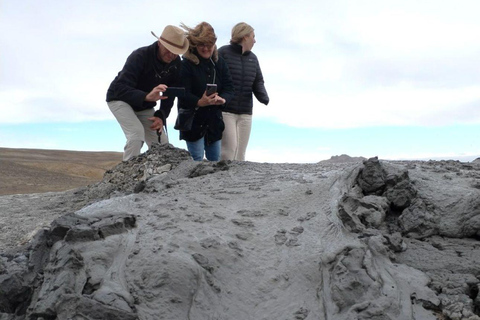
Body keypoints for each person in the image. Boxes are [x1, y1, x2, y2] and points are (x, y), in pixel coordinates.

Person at [106, 25, 189, 161]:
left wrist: (161, 116)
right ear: (160, 43)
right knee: (136, 135)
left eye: (176, 52)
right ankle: (127, 177)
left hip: (144, 105)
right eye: (169, 50)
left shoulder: (176, 63)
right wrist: (146, 96)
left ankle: (163, 177)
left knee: (162, 143)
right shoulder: (140, 56)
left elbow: (170, 94)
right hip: (119, 99)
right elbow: (120, 87)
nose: (172, 55)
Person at [177, 22, 234, 161]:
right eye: (202, 44)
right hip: (193, 123)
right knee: (195, 159)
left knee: (215, 161)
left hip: (214, 122)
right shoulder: (185, 64)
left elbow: (229, 88)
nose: (206, 48)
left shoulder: (219, 63)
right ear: (194, 44)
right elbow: (182, 93)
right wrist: (199, 102)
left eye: (209, 44)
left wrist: (223, 100)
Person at [218, 22, 269, 161]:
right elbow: (214, 76)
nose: (255, 40)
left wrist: (263, 96)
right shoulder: (223, 52)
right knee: (228, 151)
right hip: (226, 110)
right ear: (245, 37)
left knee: (240, 155)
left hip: (246, 112)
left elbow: (258, 81)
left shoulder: (253, 58)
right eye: (253, 36)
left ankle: (235, 182)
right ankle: (221, 180)